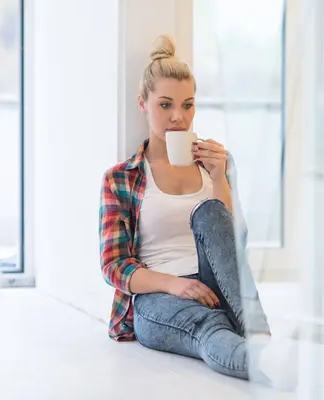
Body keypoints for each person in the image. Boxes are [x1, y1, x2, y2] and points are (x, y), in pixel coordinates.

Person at [98, 35, 297, 390]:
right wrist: (175, 285)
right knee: (209, 327)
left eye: (188, 105)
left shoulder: (215, 163)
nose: (179, 117)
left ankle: (260, 336)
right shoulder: (121, 178)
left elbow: (235, 245)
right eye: (165, 105)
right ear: (143, 103)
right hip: (159, 295)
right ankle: (268, 361)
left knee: (210, 212)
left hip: (218, 284)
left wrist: (220, 178)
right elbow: (114, 266)